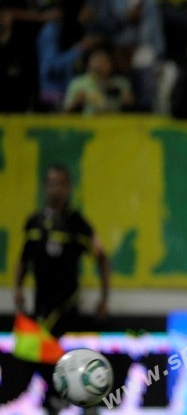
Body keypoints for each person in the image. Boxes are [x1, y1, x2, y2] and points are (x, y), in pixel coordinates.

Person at [12, 164, 111, 413]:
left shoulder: (76, 223)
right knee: (34, 352)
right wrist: (18, 288)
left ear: (68, 187)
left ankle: (66, 395)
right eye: (51, 183)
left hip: (66, 301)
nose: (56, 189)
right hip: (40, 300)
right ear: (45, 187)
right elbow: (23, 259)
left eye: (61, 183)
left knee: (33, 349)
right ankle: (67, 396)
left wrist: (104, 298)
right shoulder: (35, 222)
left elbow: (101, 257)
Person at [63, 45, 135, 114]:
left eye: (103, 61)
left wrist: (128, 103)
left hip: (113, 121)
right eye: (96, 60)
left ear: (112, 63)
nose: (99, 65)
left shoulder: (121, 83)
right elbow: (65, 112)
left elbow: (131, 111)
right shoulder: (78, 83)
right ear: (88, 63)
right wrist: (76, 103)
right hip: (87, 121)